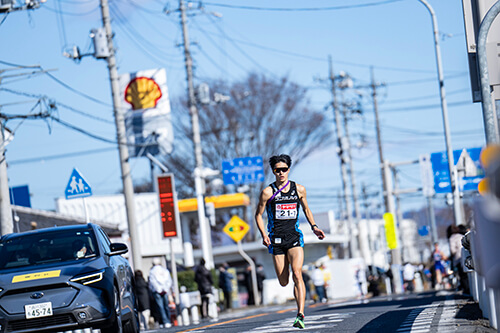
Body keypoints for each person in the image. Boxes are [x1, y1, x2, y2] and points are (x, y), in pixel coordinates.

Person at [255, 154, 325, 329]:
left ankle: (300, 314)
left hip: (294, 237)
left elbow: (306, 209)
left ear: (288, 170)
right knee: (284, 281)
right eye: (277, 170)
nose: (281, 173)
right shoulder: (267, 192)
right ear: (273, 171)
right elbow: (258, 215)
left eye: (284, 169)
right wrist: (264, 234)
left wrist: (314, 226)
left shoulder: (299, 189)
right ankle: (297, 305)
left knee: (297, 273)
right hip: (276, 240)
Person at [148, 258, 172, 328]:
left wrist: (158, 289)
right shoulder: (164, 270)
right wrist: (165, 288)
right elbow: (169, 280)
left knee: (160, 307)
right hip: (165, 290)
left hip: (157, 291)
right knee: (166, 306)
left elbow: (152, 282)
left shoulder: (152, 271)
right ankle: (168, 320)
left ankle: (164, 321)